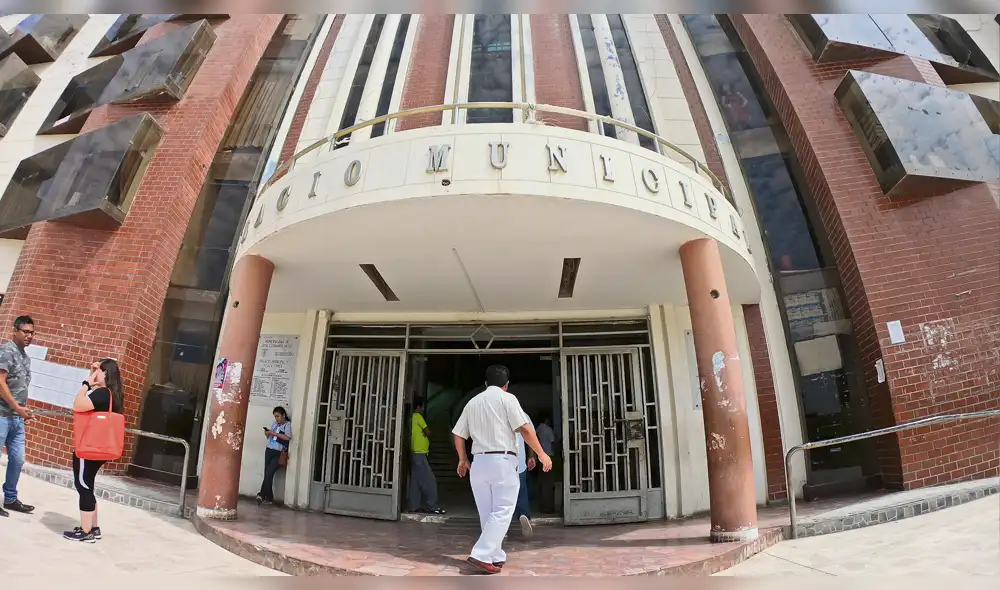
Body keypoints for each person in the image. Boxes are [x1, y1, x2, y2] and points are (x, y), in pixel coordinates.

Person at [452, 365, 552, 574]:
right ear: (506, 385)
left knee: (487, 513)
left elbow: (459, 433)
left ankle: (495, 555)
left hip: (479, 462)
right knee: (503, 509)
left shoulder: (473, 402)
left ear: (486, 383)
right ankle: (481, 554)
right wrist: (541, 454)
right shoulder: (508, 399)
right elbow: (525, 428)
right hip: (502, 460)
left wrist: (462, 459)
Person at [63, 359, 124, 542]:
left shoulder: (102, 394)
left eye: (98, 370)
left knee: (83, 485)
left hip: (88, 448)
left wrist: (86, 383)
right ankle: (93, 527)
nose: (95, 372)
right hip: (100, 448)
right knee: (88, 484)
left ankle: (86, 531)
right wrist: (93, 379)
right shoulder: (112, 395)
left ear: (105, 373)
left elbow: (78, 405)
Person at [0, 315, 36, 518]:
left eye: (32, 332)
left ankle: (11, 498)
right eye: (25, 331)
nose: (29, 336)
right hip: (2, 416)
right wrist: (17, 407)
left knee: (18, 458)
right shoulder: (7, 351)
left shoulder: (25, 356)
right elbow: (0, 383)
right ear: (15, 331)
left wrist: (24, 411)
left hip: (17, 418)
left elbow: (19, 387)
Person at [408, 398, 444, 514]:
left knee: (415, 482)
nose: (423, 409)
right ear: (418, 407)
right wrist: (425, 433)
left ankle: (414, 506)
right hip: (419, 453)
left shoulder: (410, 418)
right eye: (422, 407)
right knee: (430, 480)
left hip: (414, 453)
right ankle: (432, 506)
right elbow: (428, 432)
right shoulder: (418, 417)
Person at [257, 406, 291, 506]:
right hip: (269, 450)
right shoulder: (274, 424)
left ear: (283, 415)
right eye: (275, 416)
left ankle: (261, 494)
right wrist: (268, 434)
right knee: (267, 474)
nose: (277, 418)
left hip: (278, 452)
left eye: (278, 416)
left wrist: (274, 434)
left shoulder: (287, 425)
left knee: (269, 473)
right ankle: (269, 497)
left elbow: (287, 437)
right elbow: (270, 437)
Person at [513, 417, 536, 538]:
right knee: (521, 490)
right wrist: (532, 456)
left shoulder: (494, 413)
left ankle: (501, 527)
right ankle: (523, 514)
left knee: (501, 495)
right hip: (519, 461)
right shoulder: (523, 416)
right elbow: (530, 435)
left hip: (500, 462)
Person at [535, 413, 557, 514]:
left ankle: (543, 506)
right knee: (548, 483)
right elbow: (553, 442)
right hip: (548, 457)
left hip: (540, 457)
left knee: (542, 482)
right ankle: (548, 507)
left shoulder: (538, 429)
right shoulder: (548, 429)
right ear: (546, 419)